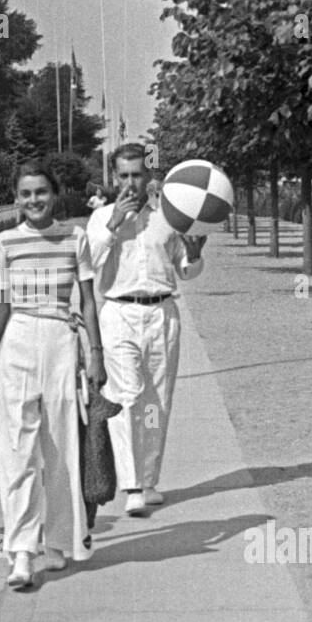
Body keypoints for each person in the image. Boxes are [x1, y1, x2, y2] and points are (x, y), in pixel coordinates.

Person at [0, 160, 106, 589]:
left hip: (59, 341)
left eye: (41, 192)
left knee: (58, 447)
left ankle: (57, 542)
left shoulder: (76, 236)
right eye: (25, 194)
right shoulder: (4, 242)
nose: (34, 200)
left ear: (55, 194)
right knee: (17, 450)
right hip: (17, 339)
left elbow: (88, 301)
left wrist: (96, 353)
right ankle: (20, 552)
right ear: (16, 198)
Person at [86, 144, 206, 517]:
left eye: (137, 175)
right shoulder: (100, 218)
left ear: (148, 178)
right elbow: (88, 262)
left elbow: (185, 271)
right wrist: (113, 225)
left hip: (162, 312)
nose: (130, 183)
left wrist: (195, 253)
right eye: (123, 176)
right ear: (113, 178)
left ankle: (150, 479)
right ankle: (131, 484)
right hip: (119, 313)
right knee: (126, 397)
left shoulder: (166, 219)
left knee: (156, 400)